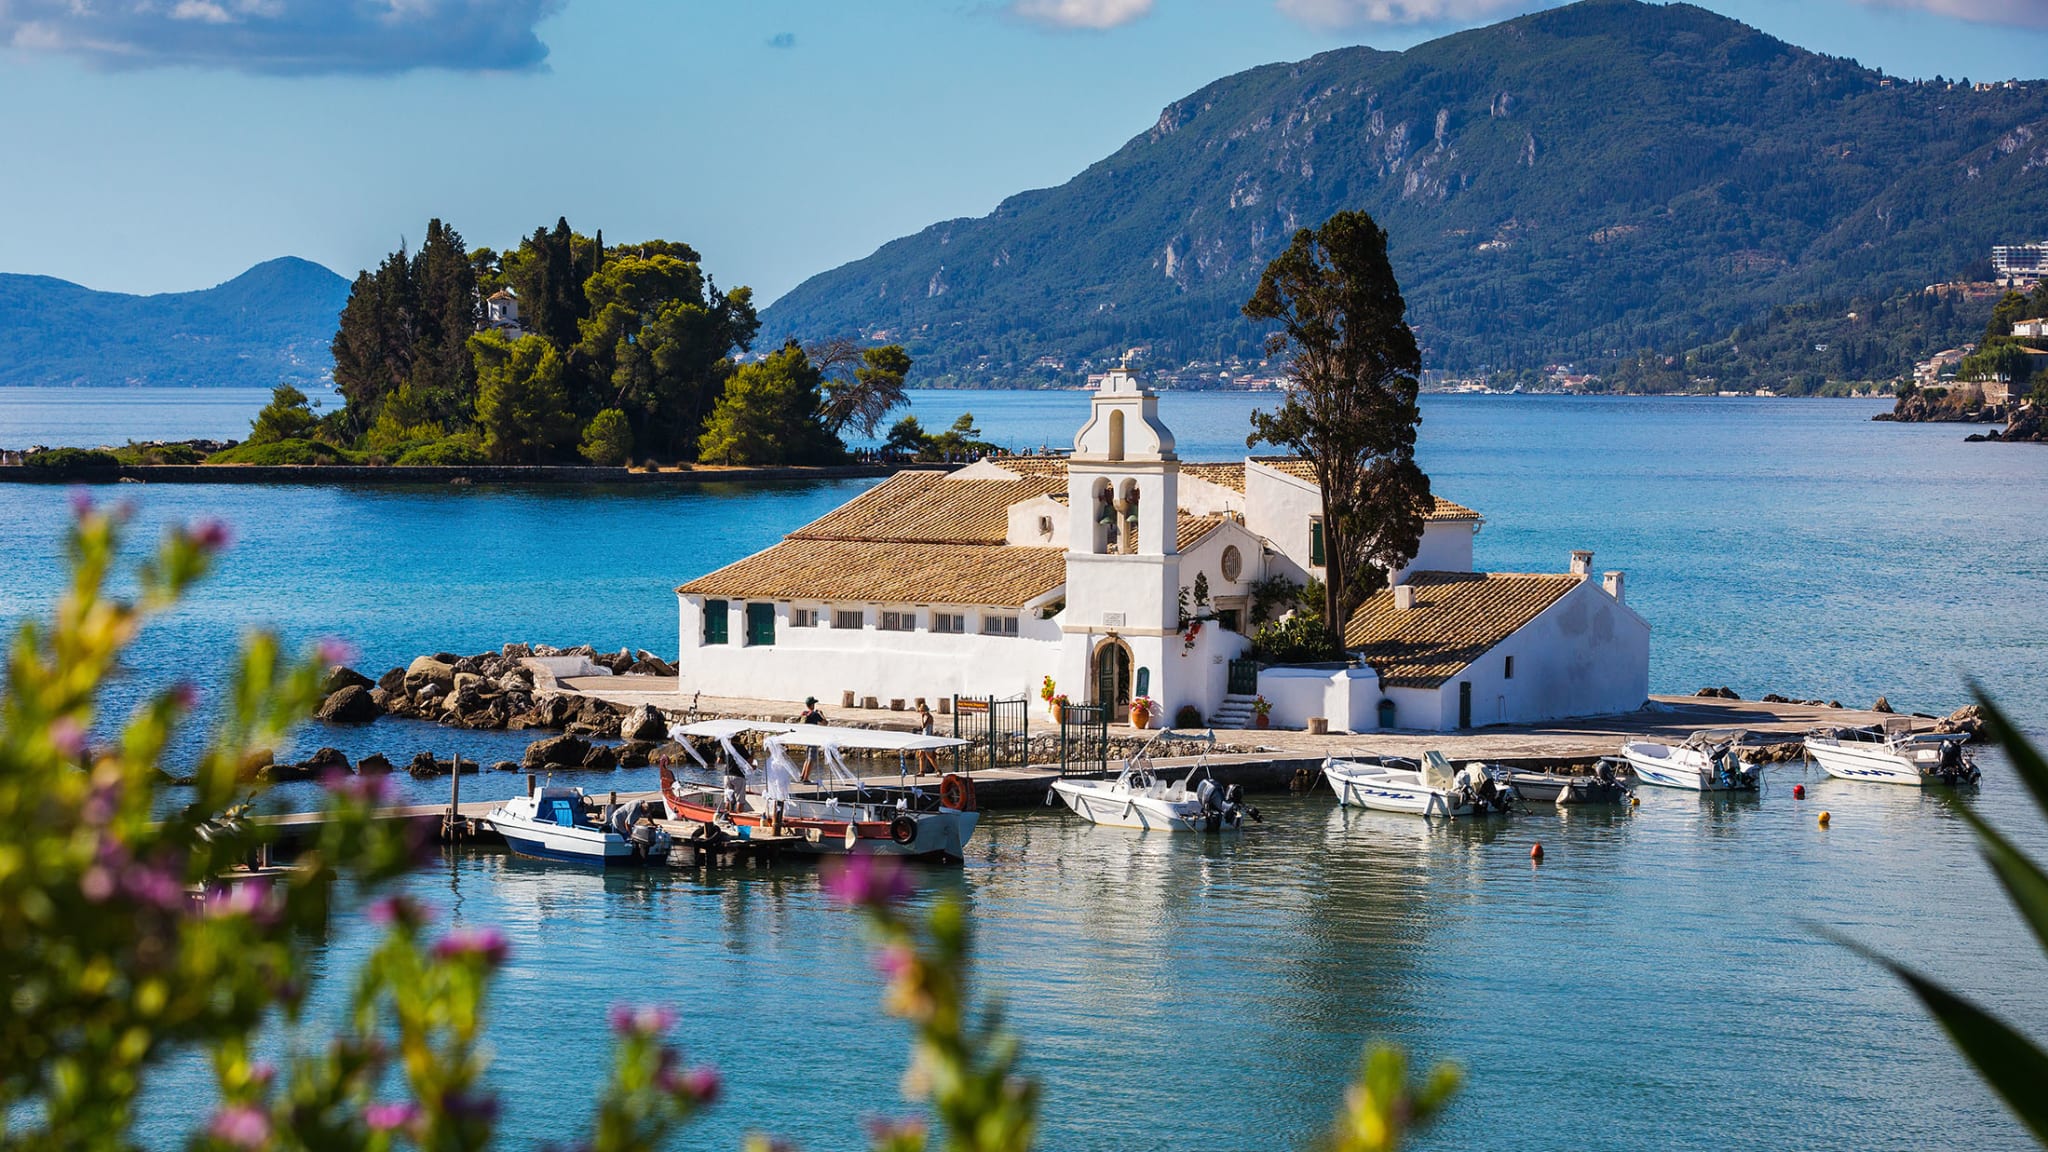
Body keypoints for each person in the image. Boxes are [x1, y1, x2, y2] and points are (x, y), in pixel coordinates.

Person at [797, 695, 826, 783]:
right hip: (813, 738)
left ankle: (802, 776)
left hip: (806, 737)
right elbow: (825, 723)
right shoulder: (815, 714)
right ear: (812, 705)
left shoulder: (804, 713)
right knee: (811, 758)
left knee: (807, 757)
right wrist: (822, 714)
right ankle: (806, 778)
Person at [915, 702, 939, 777]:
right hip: (924, 737)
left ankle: (938, 770)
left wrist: (921, 718)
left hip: (928, 738)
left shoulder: (929, 717)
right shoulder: (926, 716)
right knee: (921, 755)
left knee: (929, 756)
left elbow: (923, 726)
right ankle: (921, 771)